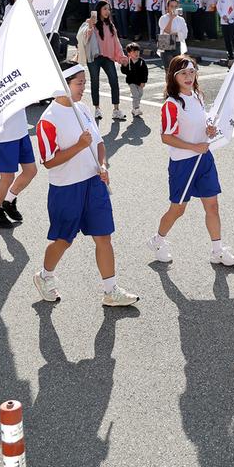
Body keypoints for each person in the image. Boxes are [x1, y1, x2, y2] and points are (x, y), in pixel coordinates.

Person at [31, 62, 140, 307]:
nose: (83, 87)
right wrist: (79, 146)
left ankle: (110, 290)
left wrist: (103, 165)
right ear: (63, 86)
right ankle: (45, 275)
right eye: (79, 83)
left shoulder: (82, 108)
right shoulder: (48, 120)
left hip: (93, 182)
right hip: (66, 188)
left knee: (104, 236)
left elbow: (99, 143)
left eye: (83, 82)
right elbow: (49, 161)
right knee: (63, 240)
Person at [147, 55, 234, 267]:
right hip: (183, 163)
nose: (189, 76)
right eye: (183, 73)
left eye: (192, 71)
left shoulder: (197, 96)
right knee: (178, 209)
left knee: (213, 206)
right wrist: (193, 147)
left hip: (204, 159)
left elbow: (201, 122)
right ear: (174, 76)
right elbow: (166, 137)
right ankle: (157, 240)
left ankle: (217, 250)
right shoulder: (171, 104)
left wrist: (209, 128)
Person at [0, 106, 37, 229]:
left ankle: (8, 200)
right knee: (7, 178)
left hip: (21, 131)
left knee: (31, 171)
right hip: (3, 136)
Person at [120, 42, 148, 118]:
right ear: (129, 53)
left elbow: (145, 72)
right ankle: (136, 108)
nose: (136, 53)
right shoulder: (128, 61)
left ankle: (134, 108)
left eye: (137, 52)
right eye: (134, 52)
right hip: (131, 81)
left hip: (140, 81)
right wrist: (123, 65)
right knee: (136, 94)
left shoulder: (142, 61)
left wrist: (144, 81)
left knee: (140, 94)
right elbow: (124, 72)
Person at [157, 0, 187, 66]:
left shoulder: (181, 20)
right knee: (169, 69)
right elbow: (167, 31)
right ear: (167, 7)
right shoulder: (163, 18)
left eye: (176, 6)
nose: (174, 8)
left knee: (176, 68)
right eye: (172, 6)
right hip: (165, 41)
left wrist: (176, 34)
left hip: (177, 43)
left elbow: (185, 34)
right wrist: (171, 18)